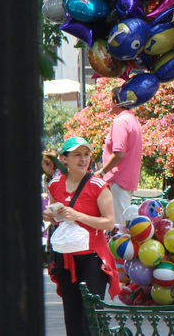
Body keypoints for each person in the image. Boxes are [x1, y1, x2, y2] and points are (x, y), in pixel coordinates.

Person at [43, 136, 121, 336]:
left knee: (91, 317)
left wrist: (78, 216)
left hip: (93, 257)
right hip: (66, 257)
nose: (83, 159)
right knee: (72, 317)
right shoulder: (55, 184)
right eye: (77, 155)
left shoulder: (98, 185)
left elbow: (109, 222)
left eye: (86, 155)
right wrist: (50, 216)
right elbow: (58, 219)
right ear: (64, 159)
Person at [94, 86, 143, 226]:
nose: (110, 104)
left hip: (118, 180)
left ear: (116, 101)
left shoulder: (120, 121)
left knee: (117, 226)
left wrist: (102, 171)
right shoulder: (133, 120)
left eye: (111, 100)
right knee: (122, 222)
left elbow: (119, 153)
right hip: (127, 180)